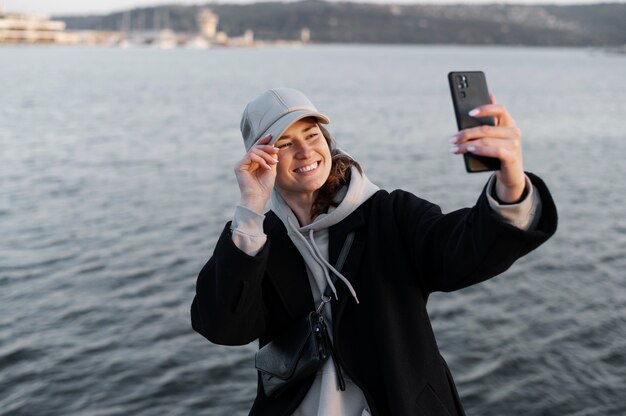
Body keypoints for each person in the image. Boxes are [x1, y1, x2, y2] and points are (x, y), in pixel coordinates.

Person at [191, 88, 557, 416]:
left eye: (312, 134)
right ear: (260, 159)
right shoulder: (257, 240)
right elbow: (225, 328)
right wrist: (250, 210)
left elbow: (462, 251)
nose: (305, 151)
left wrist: (510, 183)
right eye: (284, 143)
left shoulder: (389, 214)